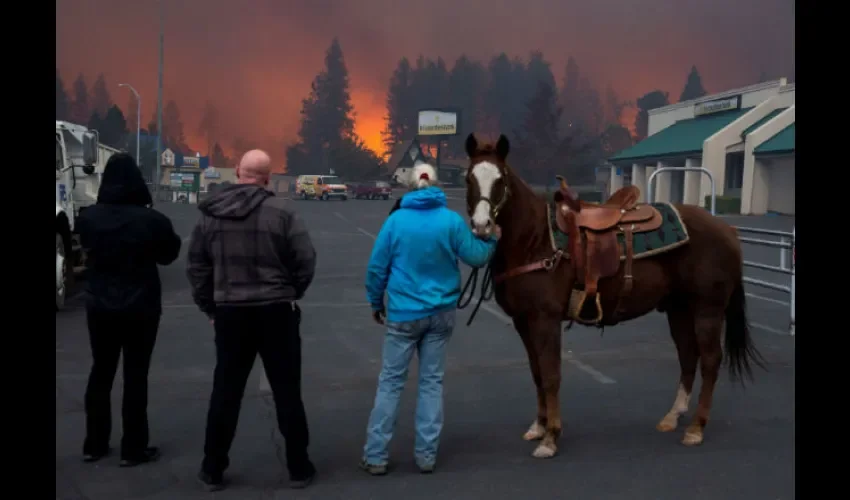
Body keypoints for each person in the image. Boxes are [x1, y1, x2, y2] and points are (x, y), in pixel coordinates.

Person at [186, 149, 318, 492]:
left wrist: (210, 308)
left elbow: (197, 266)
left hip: (230, 313)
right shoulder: (283, 211)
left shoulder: (210, 213)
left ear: (238, 174)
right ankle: (299, 468)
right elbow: (305, 260)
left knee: (226, 392)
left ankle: (212, 468)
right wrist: (291, 291)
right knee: (287, 391)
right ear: (267, 178)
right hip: (276, 312)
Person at [361, 163, 500, 475]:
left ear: (411, 186)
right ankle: (426, 456)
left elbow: (376, 268)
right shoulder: (450, 221)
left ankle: (376, 456)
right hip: (440, 315)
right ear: (436, 185)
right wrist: (491, 239)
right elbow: (476, 257)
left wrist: (375, 301)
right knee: (431, 384)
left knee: (391, 384)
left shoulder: (395, 221)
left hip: (402, 316)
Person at [77, 153, 182, 467]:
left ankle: (94, 444)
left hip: (99, 305)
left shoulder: (88, 217)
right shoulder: (152, 221)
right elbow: (168, 255)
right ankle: (133, 448)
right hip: (141, 306)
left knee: (101, 371)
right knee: (136, 376)